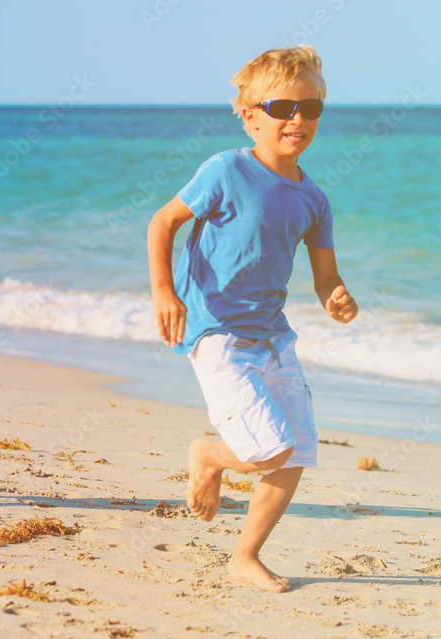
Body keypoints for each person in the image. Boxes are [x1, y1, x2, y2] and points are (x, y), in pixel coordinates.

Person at [147, 46, 358, 592]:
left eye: (310, 109)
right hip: (216, 333)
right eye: (283, 106)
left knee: (296, 455)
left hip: (273, 339)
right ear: (249, 114)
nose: (297, 119)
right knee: (272, 447)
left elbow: (324, 277)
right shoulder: (226, 169)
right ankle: (211, 454)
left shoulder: (314, 199)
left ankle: (245, 555)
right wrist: (165, 292)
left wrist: (338, 297)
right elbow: (162, 222)